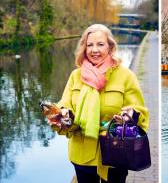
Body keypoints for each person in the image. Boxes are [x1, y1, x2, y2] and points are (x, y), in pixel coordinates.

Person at [50, 24, 149, 183]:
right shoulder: (76, 76)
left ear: (110, 47)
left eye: (100, 44)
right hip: (82, 153)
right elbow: (65, 104)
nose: (94, 50)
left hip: (116, 152)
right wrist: (63, 114)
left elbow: (140, 111)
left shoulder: (125, 76)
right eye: (90, 45)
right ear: (84, 48)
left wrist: (131, 114)